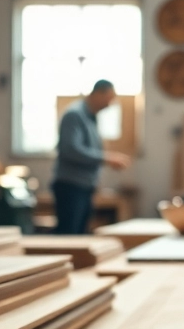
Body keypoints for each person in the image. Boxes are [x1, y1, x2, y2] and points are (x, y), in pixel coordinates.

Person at [52, 80, 130, 234]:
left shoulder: (91, 117)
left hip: (84, 187)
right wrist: (106, 158)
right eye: (109, 98)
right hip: (71, 187)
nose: (110, 103)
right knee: (69, 235)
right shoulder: (74, 115)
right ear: (98, 93)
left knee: (80, 234)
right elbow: (71, 150)